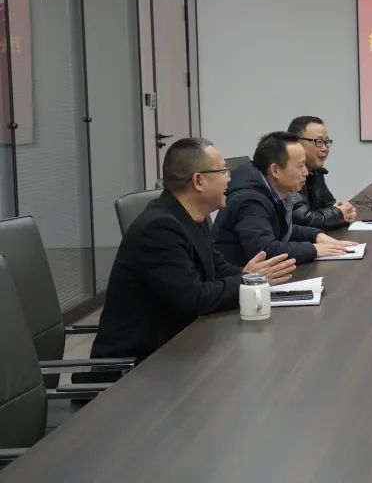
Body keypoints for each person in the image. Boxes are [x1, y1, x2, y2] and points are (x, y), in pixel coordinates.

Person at [84, 138, 297, 366]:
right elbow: (194, 298)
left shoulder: (193, 216)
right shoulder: (159, 228)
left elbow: (218, 269)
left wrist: (253, 277)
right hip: (137, 367)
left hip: (178, 348)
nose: (229, 178)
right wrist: (249, 280)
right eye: (223, 171)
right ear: (198, 181)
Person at [213, 131, 357, 266]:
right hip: (239, 280)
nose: (306, 172)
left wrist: (316, 235)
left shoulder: (271, 191)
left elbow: (281, 229)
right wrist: (314, 249)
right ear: (275, 170)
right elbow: (265, 251)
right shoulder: (249, 200)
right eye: (300, 166)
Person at [286, 115, 356, 229]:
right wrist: (338, 214)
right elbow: (302, 220)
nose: (325, 148)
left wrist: (345, 210)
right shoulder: (287, 173)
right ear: (297, 143)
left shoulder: (315, 172)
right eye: (318, 142)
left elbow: (330, 205)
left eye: (326, 142)